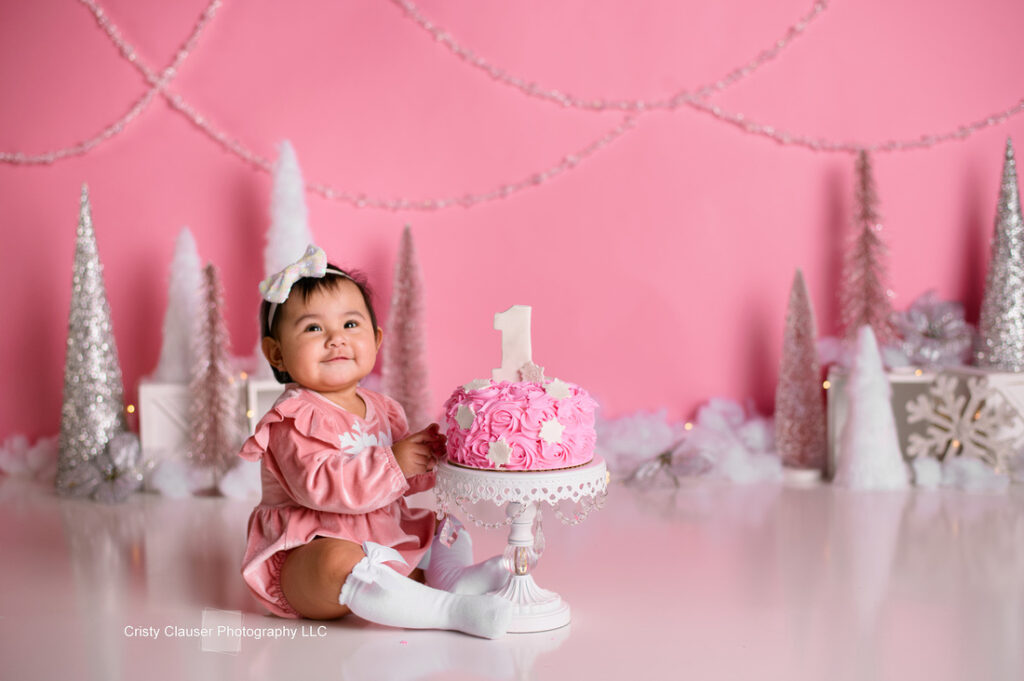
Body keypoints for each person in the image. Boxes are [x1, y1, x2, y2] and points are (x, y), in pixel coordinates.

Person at [240, 245, 511, 638]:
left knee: (442, 525)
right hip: (310, 552)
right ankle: (450, 610)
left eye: (350, 325)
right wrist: (395, 462)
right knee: (336, 560)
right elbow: (320, 488)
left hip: (382, 537)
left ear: (376, 339)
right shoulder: (292, 418)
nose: (336, 339)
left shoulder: (384, 408)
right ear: (276, 353)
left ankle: (451, 579)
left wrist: (428, 456)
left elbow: (399, 480)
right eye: (314, 328)